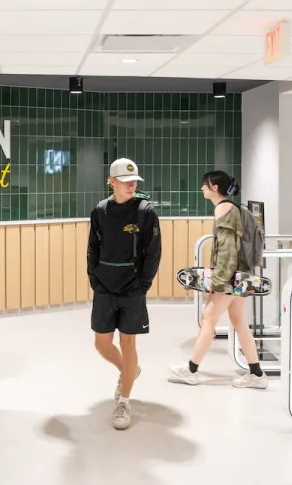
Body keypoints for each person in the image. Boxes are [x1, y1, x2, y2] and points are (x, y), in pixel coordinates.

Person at [166, 171, 268, 389]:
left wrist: (219, 280)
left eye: (205, 184)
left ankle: (191, 370)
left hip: (229, 278)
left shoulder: (223, 208)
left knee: (208, 319)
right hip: (240, 276)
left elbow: (228, 249)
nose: (202, 188)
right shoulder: (234, 208)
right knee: (239, 322)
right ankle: (257, 374)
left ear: (214, 187)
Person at [87, 158, 161, 431]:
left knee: (129, 344)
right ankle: (130, 371)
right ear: (111, 181)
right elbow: (92, 248)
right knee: (102, 344)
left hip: (132, 289)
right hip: (105, 287)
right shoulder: (100, 211)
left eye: (134, 182)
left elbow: (153, 252)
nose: (131, 185)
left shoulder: (145, 212)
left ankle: (124, 401)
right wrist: (94, 278)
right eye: (125, 181)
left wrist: (143, 285)